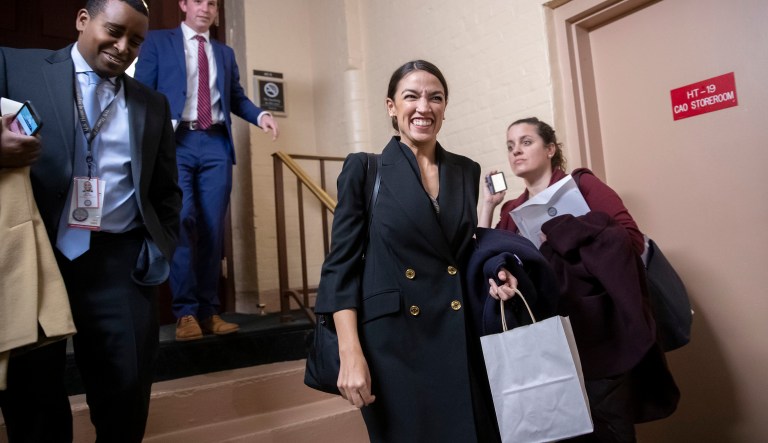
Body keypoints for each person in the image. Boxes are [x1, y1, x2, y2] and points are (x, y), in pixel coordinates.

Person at [0, 0, 182, 441]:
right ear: (83, 20)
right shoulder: (14, 65)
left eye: (135, 41)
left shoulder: (152, 103)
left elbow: (166, 192)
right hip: (37, 259)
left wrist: (158, 249)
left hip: (118, 263)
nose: (123, 48)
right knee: (32, 395)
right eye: (114, 31)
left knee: (125, 393)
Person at [314, 60, 501, 442]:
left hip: (457, 333)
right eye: (411, 96)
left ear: (445, 108)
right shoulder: (365, 170)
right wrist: (350, 353)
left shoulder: (464, 170)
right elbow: (340, 268)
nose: (424, 107)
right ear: (391, 106)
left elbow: (462, 254)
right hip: (393, 346)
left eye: (436, 98)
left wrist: (496, 270)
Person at [480, 117, 678, 442]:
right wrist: (489, 206)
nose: (516, 151)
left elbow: (630, 240)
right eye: (510, 146)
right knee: (559, 430)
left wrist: (561, 234)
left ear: (550, 149)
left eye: (526, 142)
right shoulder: (513, 209)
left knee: (609, 429)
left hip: (598, 332)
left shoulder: (582, 185)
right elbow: (487, 257)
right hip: (544, 336)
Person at [134, 0, 279, 341]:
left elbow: (236, 97)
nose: (206, 8)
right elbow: (141, 93)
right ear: (184, 5)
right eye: (198, 0)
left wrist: (260, 115)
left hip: (215, 143)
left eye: (212, 3)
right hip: (176, 142)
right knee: (182, 219)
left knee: (213, 228)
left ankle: (209, 311)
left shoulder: (224, 54)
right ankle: (185, 314)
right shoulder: (157, 42)